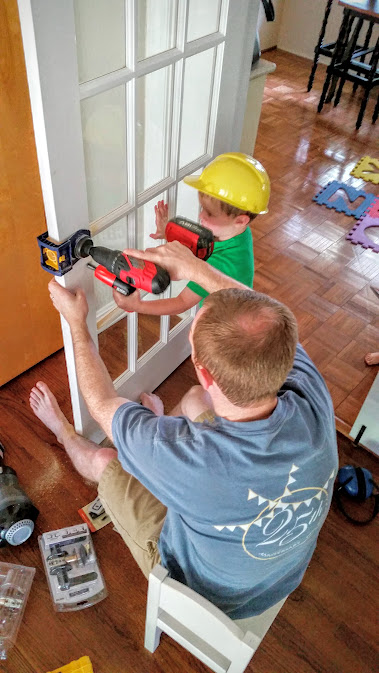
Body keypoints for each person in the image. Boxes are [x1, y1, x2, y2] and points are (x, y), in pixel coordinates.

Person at [30, 243, 338, 619]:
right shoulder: (312, 397)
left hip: (204, 591)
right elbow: (257, 308)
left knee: (104, 458)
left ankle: (62, 432)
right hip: (279, 574)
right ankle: (153, 430)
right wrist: (192, 268)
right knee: (193, 401)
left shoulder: (197, 460)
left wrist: (77, 323)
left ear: (204, 371)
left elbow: (100, 403)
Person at [111, 152, 270, 315]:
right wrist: (167, 232)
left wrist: (138, 306)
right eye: (202, 208)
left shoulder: (223, 264)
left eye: (210, 213)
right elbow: (201, 248)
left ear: (240, 220)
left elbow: (181, 302)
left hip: (220, 326)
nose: (201, 216)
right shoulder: (236, 233)